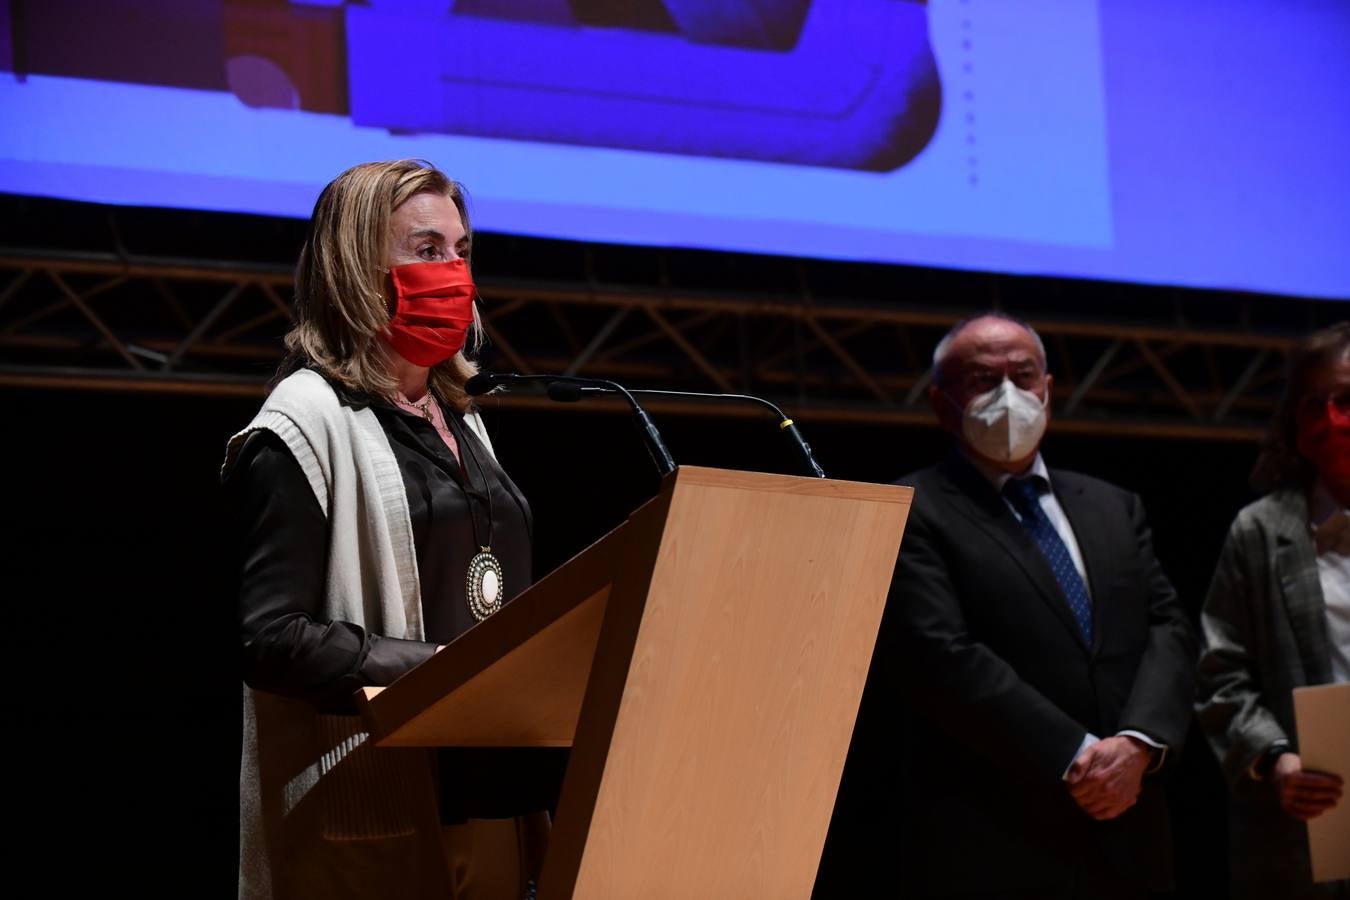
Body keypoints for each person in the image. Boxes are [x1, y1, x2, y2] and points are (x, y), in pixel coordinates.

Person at [222, 159, 557, 900]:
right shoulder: (301, 422)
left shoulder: (462, 417)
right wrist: (438, 668)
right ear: (355, 266)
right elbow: (269, 636)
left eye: (462, 251)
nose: (453, 272)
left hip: (493, 796)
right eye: (426, 249)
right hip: (375, 801)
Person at [872, 313, 1196, 898]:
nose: (1008, 395)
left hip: (1131, 820)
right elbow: (940, 654)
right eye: (981, 379)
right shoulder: (913, 507)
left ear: (1047, 390)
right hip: (994, 826)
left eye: (1023, 376)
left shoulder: (1112, 504)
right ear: (942, 404)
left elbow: (1167, 625)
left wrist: (1140, 744)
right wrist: (1075, 756)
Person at [1195, 322, 1349, 899]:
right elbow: (1219, 676)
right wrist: (1275, 758)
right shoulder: (1260, 531)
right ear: (1296, 421)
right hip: (1302, 834)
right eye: (1317, 404)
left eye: (1349, 400)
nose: (1334, 419)